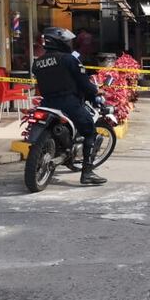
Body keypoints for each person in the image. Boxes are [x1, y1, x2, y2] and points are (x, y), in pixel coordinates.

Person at [33, 27, 107, 186]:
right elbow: (83, 83)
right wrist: (95, 91)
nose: (69, 43)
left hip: (46, 104)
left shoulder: (37, 62)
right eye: (66, 41)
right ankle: (87, 173)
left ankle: (64, 153)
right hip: (68, 103)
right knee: (89, 131)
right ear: (59, 42)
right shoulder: (68, 59)